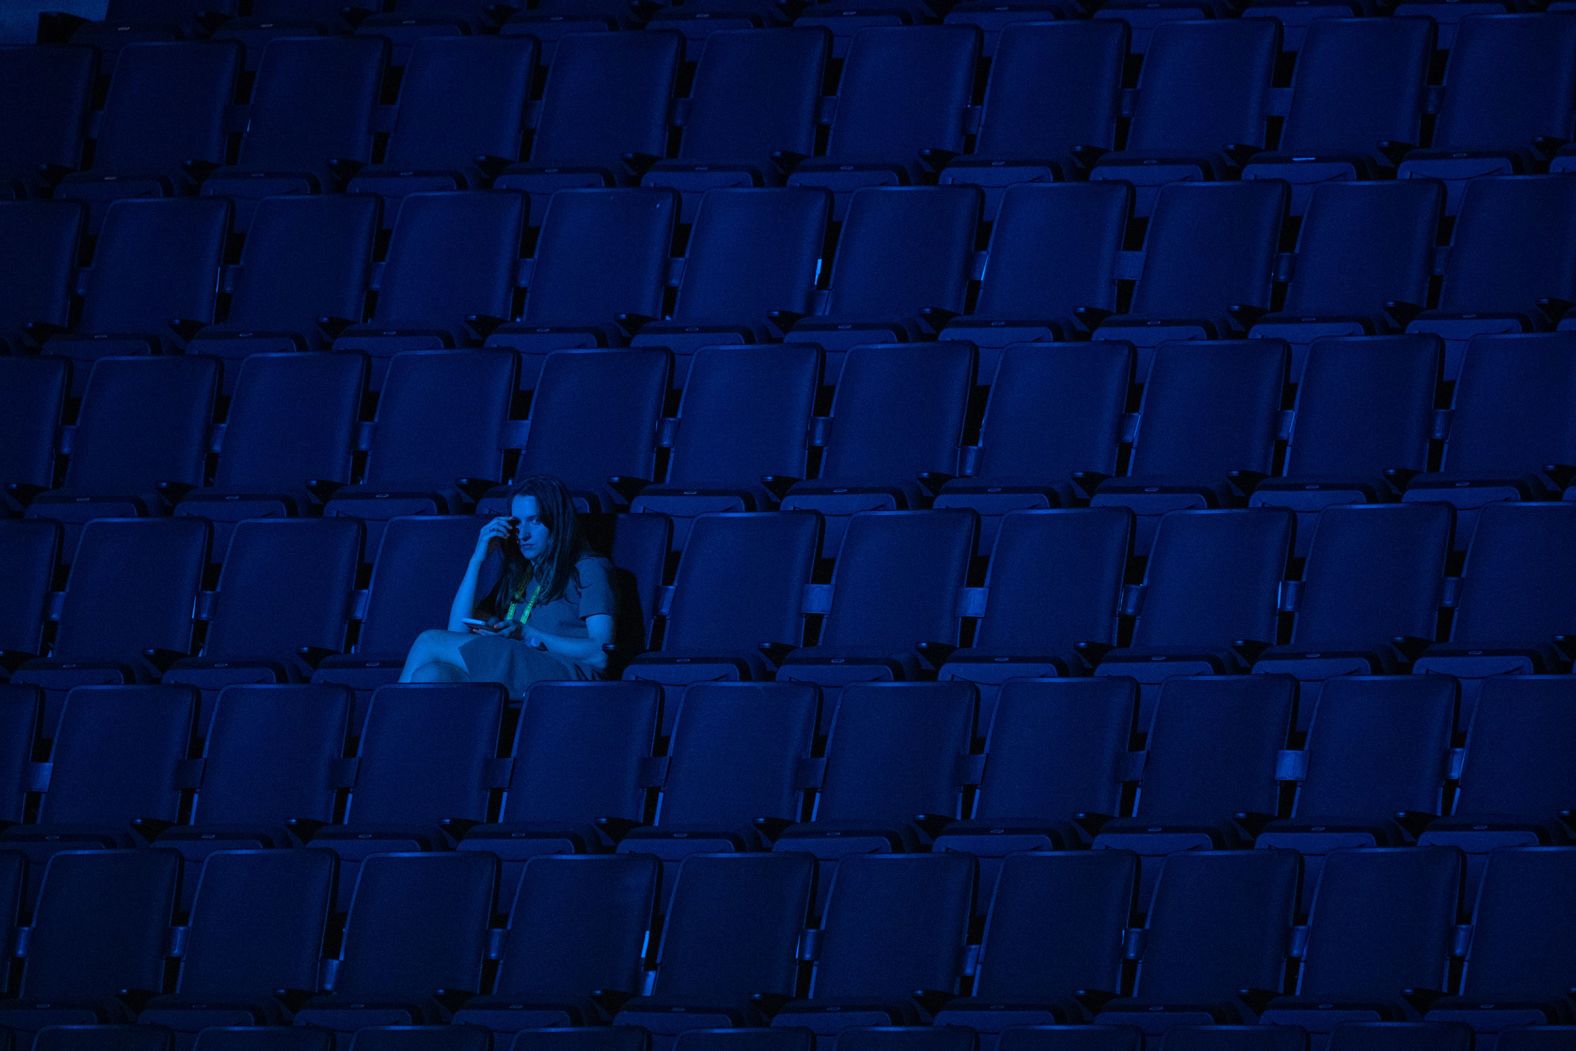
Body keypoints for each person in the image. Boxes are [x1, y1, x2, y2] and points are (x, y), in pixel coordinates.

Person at [398, 475, 617, 696]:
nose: (523, 534)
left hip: (567, 673)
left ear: (556, 522)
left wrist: (528, 635)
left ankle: (383, 726)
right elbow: (457, 630)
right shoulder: (522, 574)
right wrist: (477, 559)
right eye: (517, 522)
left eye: (535, 520)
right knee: (431, 675)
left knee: (428, 641)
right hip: (521, 665)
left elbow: (600, 654)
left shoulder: (589, 567)